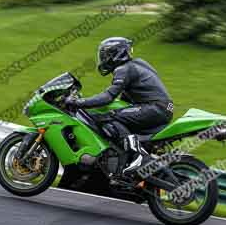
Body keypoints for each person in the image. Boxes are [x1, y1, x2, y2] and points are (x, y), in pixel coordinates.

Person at [65, 37, 174, 177]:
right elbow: (126, 99)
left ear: (117, 54)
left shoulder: (124, 69)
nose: (103, 58)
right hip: (162, 108)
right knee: (118, 115)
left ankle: (138, 157)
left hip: (154, 107)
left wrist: (79, 102)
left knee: (108, 116)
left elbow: (108, 97)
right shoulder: (138, 64)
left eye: (106, 55)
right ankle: (128, 159)